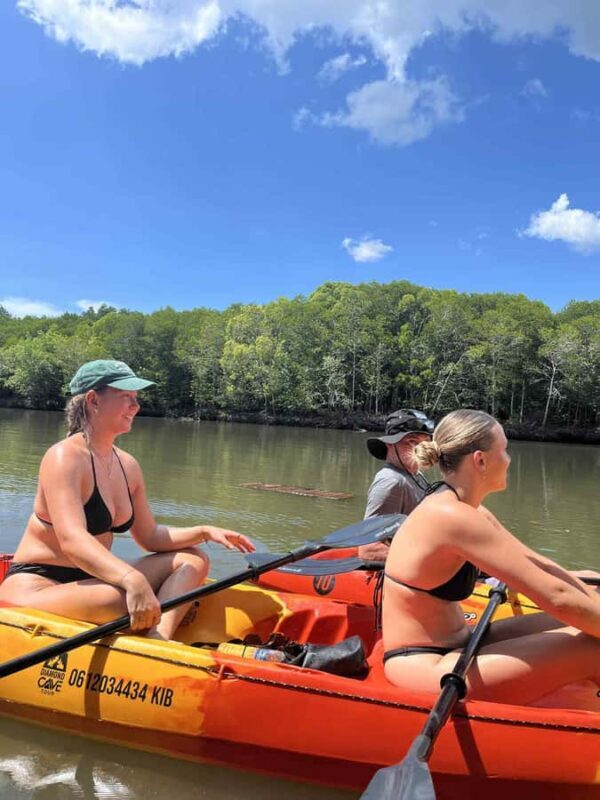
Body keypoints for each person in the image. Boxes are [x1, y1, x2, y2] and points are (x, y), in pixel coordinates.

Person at [0, 360, 254, 640]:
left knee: (193, 560)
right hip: (38, 586)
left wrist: (204, 532)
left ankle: (158, 640)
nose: (136, 406)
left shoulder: (128, 466)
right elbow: (72, 540)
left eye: (136, 398)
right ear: (93, 400)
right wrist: (132, 579)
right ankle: (143, 626)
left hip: (91, 581)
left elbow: (150, 537)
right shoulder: (64, 457)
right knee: (120, 600)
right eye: (126, 397)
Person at [382, 409, 600, 704]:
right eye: (504, 450)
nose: (509, 459)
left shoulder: (470, 510)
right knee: (594, 647)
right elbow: (557, 597)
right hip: (425, 662)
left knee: (593, 586)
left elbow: (542, 567)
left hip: (462, 640)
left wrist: (592, 588)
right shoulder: (451, 516)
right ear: (480, 460)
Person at [358, 409, 435, 561]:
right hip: (403, 569)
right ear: (390, 443)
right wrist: (429, 560)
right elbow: (369, 549)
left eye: (425, 442)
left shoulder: (417, 475)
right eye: (412, 441)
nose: (420, 449)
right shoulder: (391, 481)